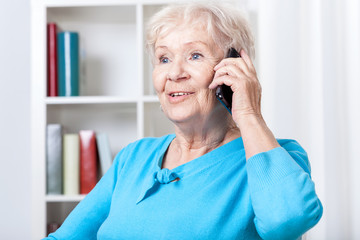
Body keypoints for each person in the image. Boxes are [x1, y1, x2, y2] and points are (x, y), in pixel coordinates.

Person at [45, 3, 323, 240]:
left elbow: (288, 221)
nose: (174, 73)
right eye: (164, 58)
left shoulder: (278, 157)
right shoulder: (134, 157)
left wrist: (249, 114)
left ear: (235, 67)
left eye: (195, 55)